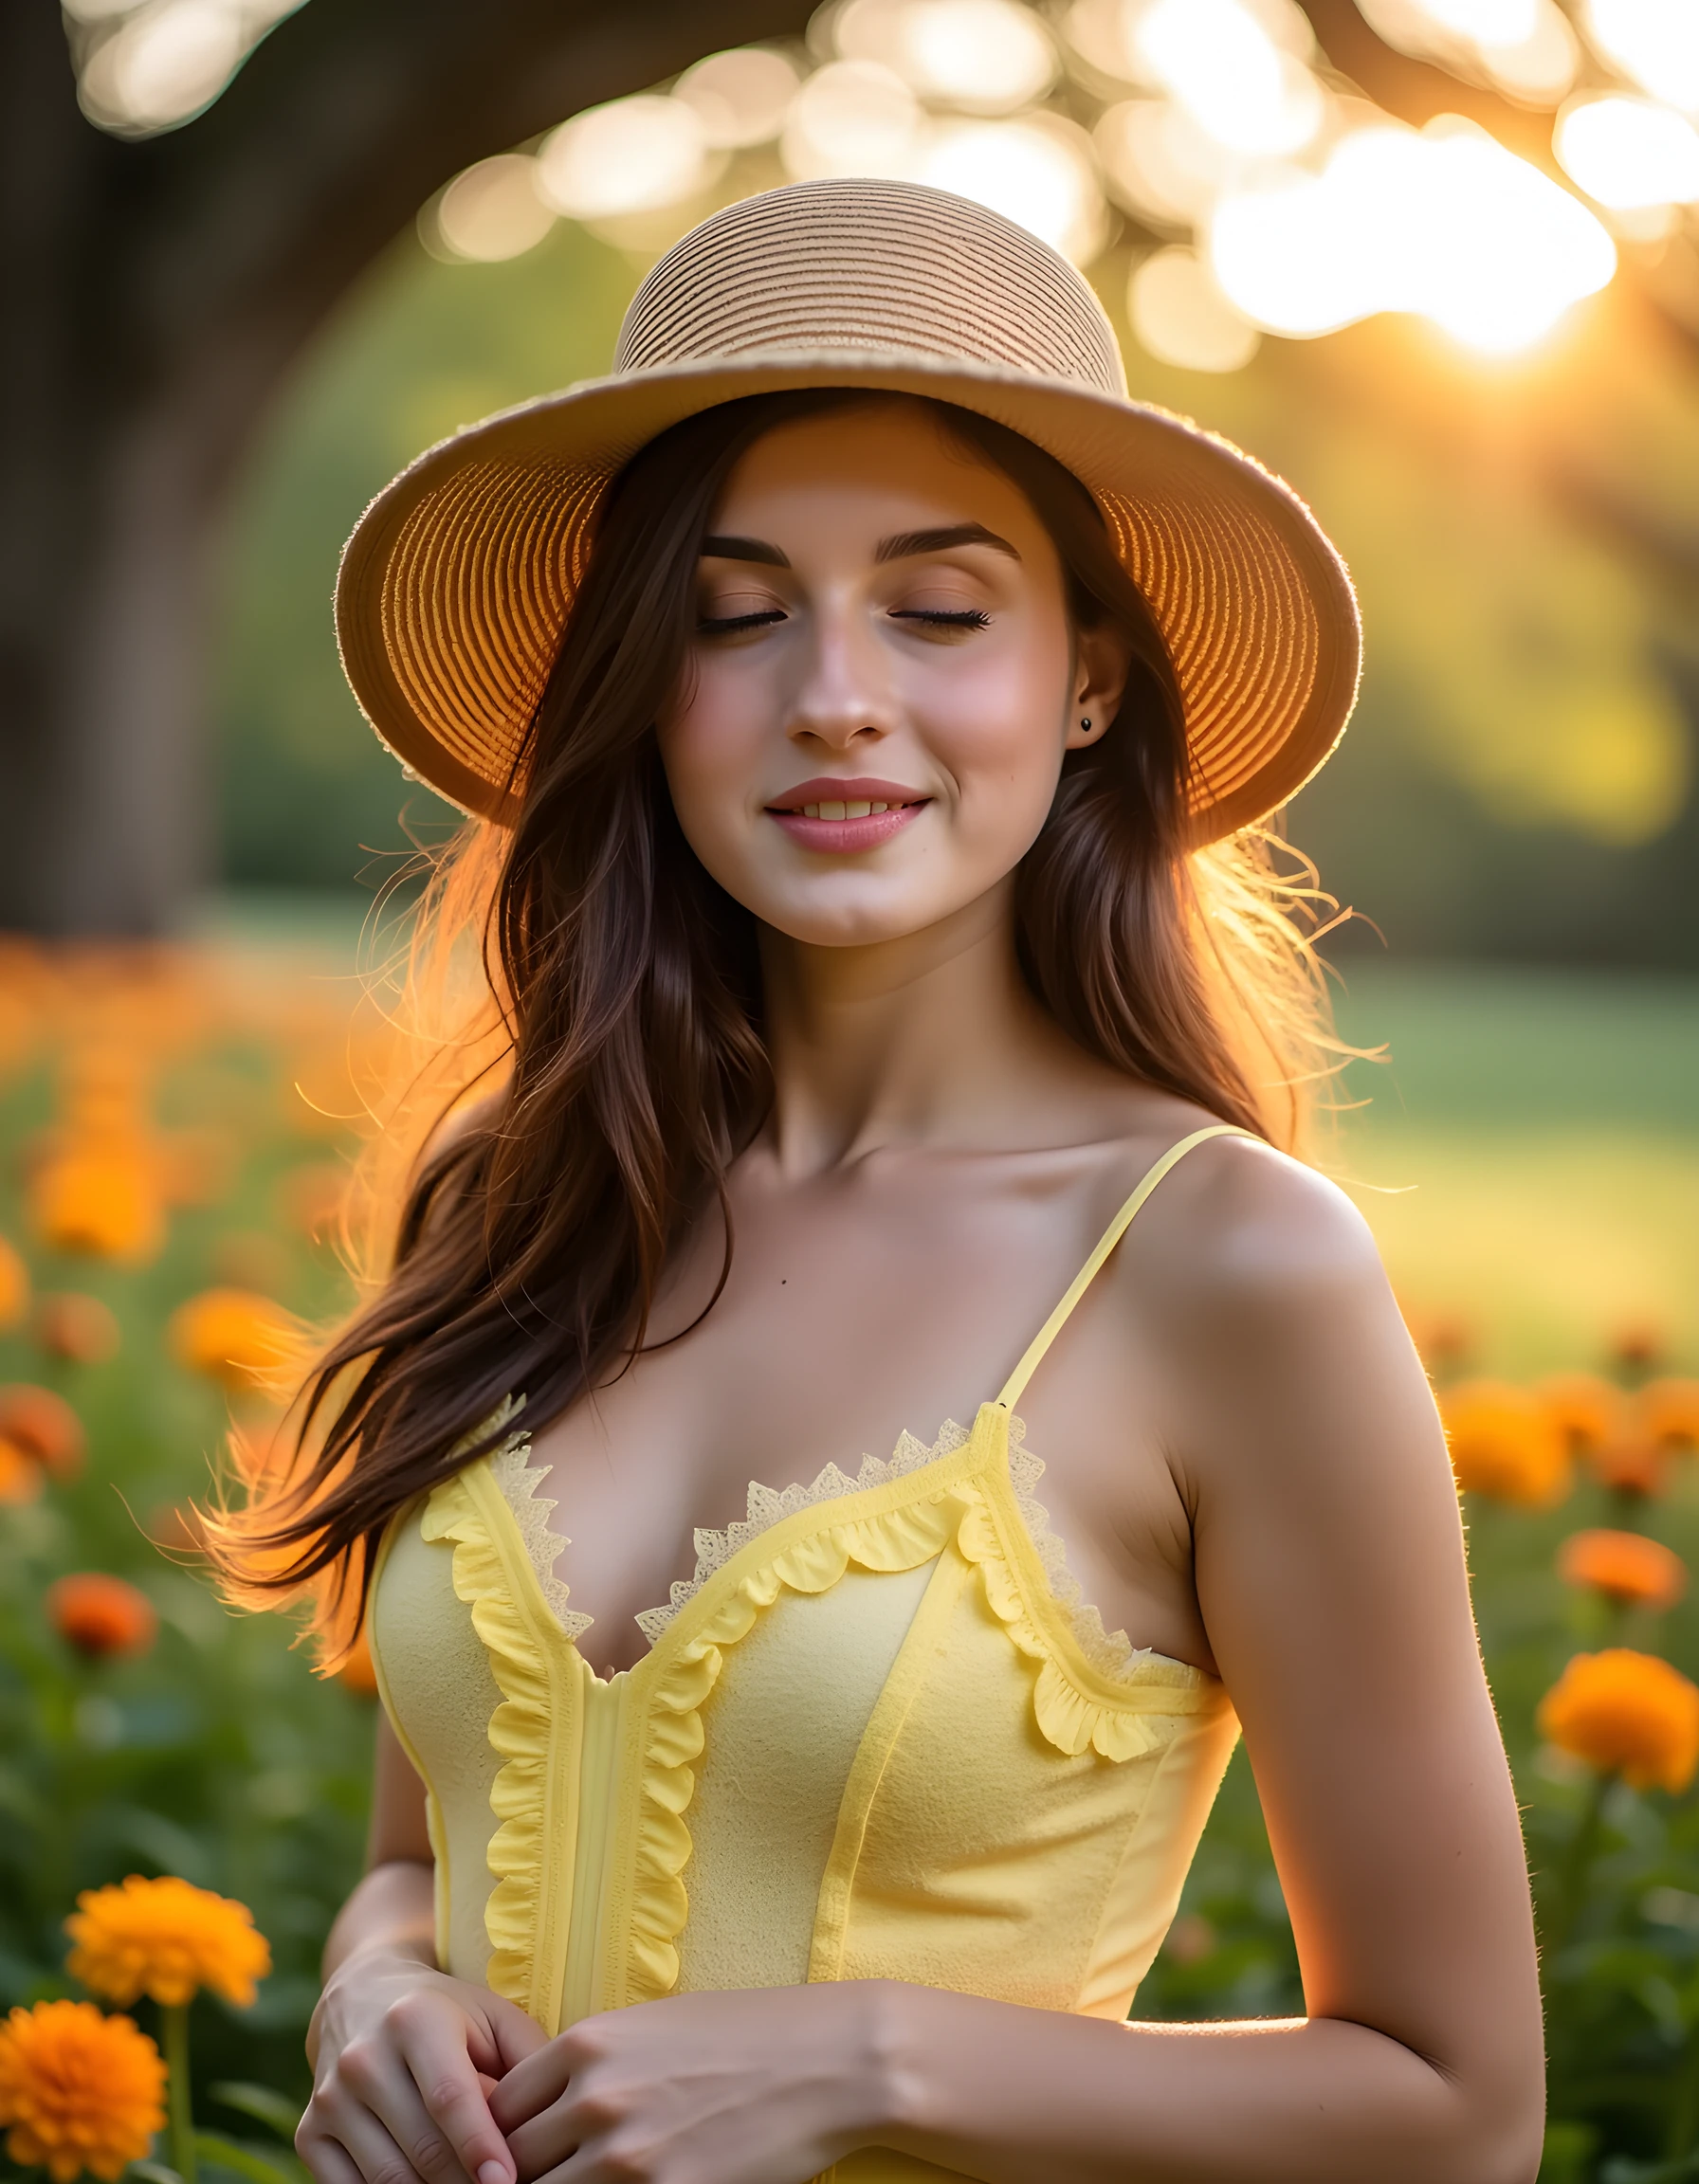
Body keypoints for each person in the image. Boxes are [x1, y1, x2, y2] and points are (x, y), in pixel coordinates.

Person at [213, 178, 1544, 2184]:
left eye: (936, 608)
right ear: (641, 690)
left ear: (1084, 681)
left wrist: (876, 2057)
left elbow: (1457, 2110)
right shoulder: (516, 1194)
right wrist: (375, 1988)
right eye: (732, 614)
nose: (832, 689)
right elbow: (420, 1860)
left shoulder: (1222, 1271)